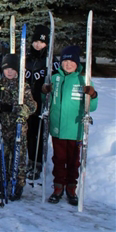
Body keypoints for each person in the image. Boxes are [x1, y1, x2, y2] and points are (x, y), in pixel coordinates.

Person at [43, 46, 98, 205]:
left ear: (77, 63)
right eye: (65, 61)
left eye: (71, 61)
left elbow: (92, 107)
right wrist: (44, 91)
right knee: (59, 159)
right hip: (58, 128)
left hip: (76, 129)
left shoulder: (83, 80)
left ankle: (71, 188)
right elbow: (46, 100)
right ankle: (58, 187)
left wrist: (92, 95)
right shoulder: (54, 79)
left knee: (74, 161)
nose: (68, 64)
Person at [0, 54, 37, 201]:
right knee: (2, 154)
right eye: (6, 69)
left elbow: (32, 106)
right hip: (2, 126)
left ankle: (18, 183)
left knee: (18, 157)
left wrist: (16, 109)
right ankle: (2, 182)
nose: (9, 72)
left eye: (12, 69)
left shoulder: (23, 86)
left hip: (18, 128)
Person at [25, 25, 58, 180]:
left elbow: (57, 80)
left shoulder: (50, 60)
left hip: (42, 100)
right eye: (36, 41)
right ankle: (30, 160)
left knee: (38, 133)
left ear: (46, 44)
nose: (38, 45)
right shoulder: (27, 58)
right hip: (27, 101)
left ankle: (38, 162)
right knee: (28, 132)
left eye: (41, 42)